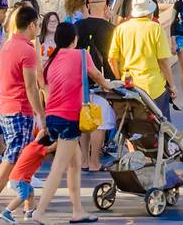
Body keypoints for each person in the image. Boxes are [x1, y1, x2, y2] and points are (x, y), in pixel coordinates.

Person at [30, 23, 116, 225]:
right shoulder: (80, 55)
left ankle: (78, 210)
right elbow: (96, 75)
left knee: (75, 163)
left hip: (53, 115)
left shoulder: (51, 60)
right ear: (74, 39)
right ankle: (40, 211)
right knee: (59, 166)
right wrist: (109, 85)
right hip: (68, 117)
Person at [0, 3, 45, 214]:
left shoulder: (8, 45)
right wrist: (41, 116)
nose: (38, 29)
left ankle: (29, 202)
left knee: (22, 157)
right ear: (31, 25)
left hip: (6, 107)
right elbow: (31, 87)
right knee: (14, 157)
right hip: (19, 108)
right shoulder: (26, 49)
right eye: (37, 25)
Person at [107, 0, 183, 117]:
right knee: (160, 126)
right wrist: (172, 86)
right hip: (153, 87)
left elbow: (111, 59)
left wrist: (119, 77)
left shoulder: (121, 29)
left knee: (130, 125)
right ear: (150, 12)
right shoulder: (155, 28)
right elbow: (163, 61)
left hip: (129, 85)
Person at [74, 0, 117, 171]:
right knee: (99, 122)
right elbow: (114, 57)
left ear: (88, 6)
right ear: (106, 6)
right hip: (102, 78)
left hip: (79, 79)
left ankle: (84, 159)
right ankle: (94, 161)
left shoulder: (77, 26)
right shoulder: (112, 29)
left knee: (84, 119)